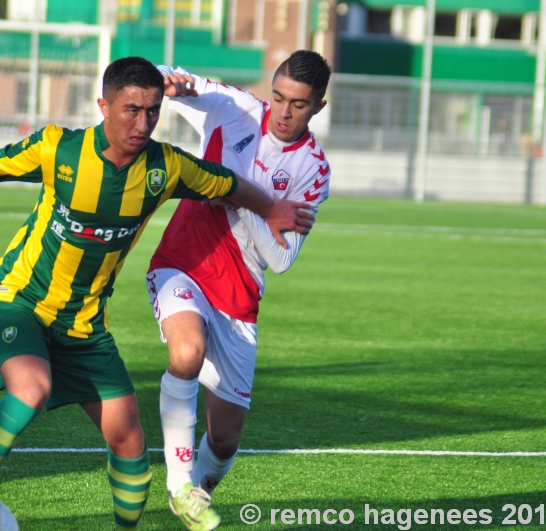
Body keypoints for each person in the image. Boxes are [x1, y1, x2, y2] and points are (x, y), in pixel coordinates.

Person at [0, 56, 314, 531]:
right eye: (130, 110)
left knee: (131, 443)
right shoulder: (60, 149)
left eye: (153, 111)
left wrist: (272, 207)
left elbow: (227, 184)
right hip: (21, 298)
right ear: (103, 105)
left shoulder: (165, 168)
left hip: (85, 322)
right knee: (31, 389)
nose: (143, 123)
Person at [145, 50, 332, 530]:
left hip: (240, 295)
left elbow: (281, 258)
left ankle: (196, 496)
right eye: (279, 97)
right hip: (184, 262)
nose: (284, 113)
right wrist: (170, 79)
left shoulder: (314, 169)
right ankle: (179, 484)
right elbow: (160, 77)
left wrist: (247, 198)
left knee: (225, 439)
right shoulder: (234, 108)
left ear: (319, 107)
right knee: (186, 352)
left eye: (299, 105)